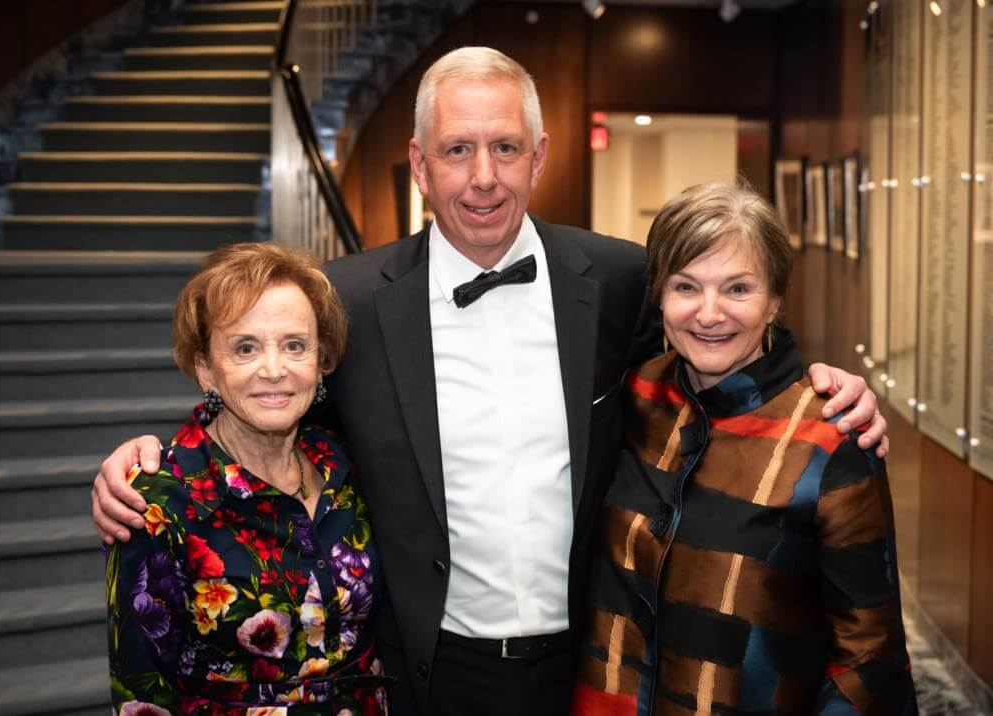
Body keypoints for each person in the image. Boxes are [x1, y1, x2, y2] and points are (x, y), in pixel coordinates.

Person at [91, 48, 887, 716]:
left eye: (506, 148)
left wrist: (819, 385)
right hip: (423, 673)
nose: (483, 177)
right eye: (457, 150)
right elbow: (270, 390)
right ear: (419, 163)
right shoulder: (351, 300)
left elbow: (715, 348)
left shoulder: (616, 279)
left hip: (587, 667)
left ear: (539, 157)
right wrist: (151, 458)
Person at [573, 182, 916, 715]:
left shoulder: (830, 437)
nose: (709, 314)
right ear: (659, 296)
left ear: (775, 300)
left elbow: (869, 659)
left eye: (737, 288)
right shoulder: (632, 395)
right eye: (686, 287)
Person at [105, 243, 389, 714]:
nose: (273, 370)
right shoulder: (159, 500)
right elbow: (142, 691)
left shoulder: (346, 463)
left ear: (321, 361)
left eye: (294, 345)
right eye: (245, 348)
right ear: (205, 368)